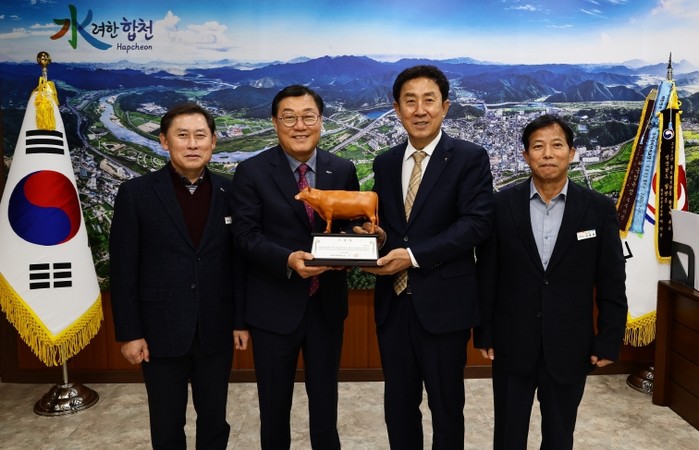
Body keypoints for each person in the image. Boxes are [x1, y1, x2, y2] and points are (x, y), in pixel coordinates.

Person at [357, 65, 495, 449]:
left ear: (445, 107)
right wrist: (379, 237)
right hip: (393, 305)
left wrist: (413, 256)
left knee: (446, 407)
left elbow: (476, 224)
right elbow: (394, 230)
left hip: (443, 306)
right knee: (398, 405)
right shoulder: (385, 162)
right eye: (410, 101)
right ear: (397, 109)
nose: (420, 110)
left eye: (429, 100)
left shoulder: (469, 157)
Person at [474, 114, 628, 450]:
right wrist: (484, 331)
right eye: (538, 146)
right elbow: (487, 274)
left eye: (557, 145)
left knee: (560, 436)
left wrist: (609, 339)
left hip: (570, 344)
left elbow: (612, 280)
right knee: (508, 435)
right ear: (525, 155)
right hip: (512, 342)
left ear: (571, 153)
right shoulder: (501, 206)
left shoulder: (598, 209)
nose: (547, 154)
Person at [110, 102, 249, 449]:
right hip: (160, 331)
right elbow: (123, 269)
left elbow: (239, 264)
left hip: (215, 328)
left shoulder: (230, 192)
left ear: (213, 141)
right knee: (166, 423)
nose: (192, 144)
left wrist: (240, 322)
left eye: (200, 136)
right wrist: (130, 333)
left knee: (214, 420)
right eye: (182, 135)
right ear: (164, 141)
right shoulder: (136, 194)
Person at [231, 85, 359, 449]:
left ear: (321, 121)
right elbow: (245, 236)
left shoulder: (342, 169)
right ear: (275, 122)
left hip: (326, 307)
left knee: (325, 402)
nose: (299, 125)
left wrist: (363, 239)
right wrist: (287, 260)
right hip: (274, 309)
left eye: (308, 116)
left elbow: (351, 224)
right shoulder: (252, 171)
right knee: (274, 407)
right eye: (289, 117)